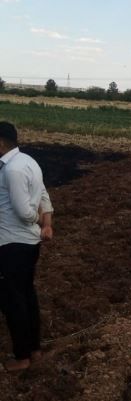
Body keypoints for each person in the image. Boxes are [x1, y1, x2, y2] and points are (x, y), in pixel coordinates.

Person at [0, 122, 54, 372]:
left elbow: (23, 212)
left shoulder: (12, 170)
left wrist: (38, 220)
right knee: (27, 296)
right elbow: (43, 195)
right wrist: (46, 223)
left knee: (14, 301)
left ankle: (22, 357)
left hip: (12, 243)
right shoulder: (29, 161)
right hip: (28, 243)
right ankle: (35, 350)